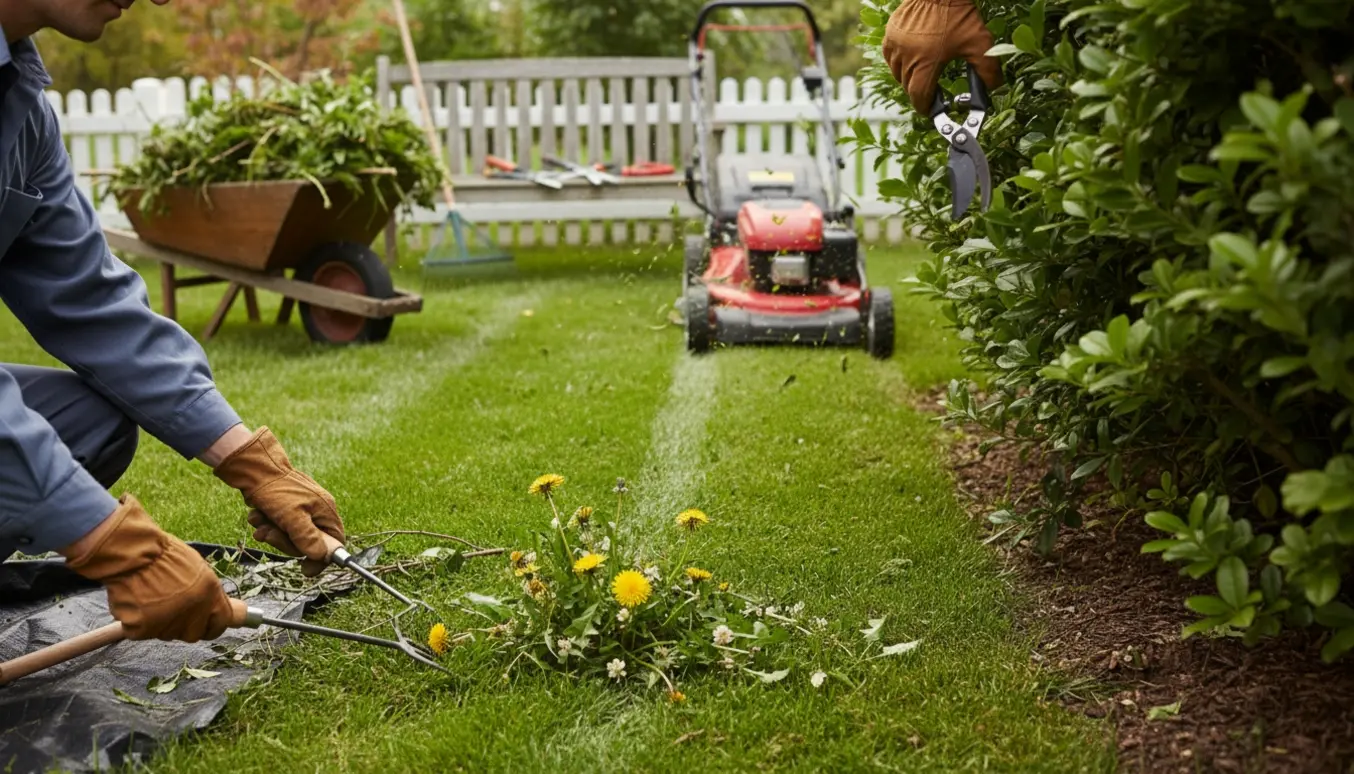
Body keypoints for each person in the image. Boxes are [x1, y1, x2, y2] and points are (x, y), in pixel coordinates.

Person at [0, 0, 345, 643]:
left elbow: (90, 304)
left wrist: (252, 463)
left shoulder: (20, 106)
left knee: (92, 427)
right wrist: (121, 547)